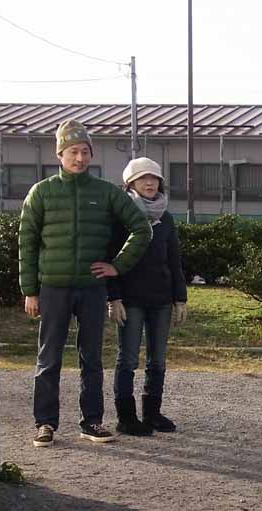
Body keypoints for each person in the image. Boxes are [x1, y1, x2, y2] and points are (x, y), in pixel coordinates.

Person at [19, 120, 151, 447]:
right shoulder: (42, 192)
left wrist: (117, 267)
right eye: (73, 152)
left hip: (92, 289)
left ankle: (92, 421)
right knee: (48, 358)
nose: (80, 158)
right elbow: (27, 242)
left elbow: (142, 229)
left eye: (85, 152)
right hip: (52, 288)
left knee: (91, 358)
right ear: (60, 154)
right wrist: (30, 291)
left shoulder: (105, 192)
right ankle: (45, 424)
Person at [107, 157, 188, 436]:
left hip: (161, 299)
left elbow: (174, 260)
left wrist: (180, 298)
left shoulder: (165, 217)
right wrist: (113, 297)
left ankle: (152, 413)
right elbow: (111, 259)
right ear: (131, 183)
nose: (150, 182)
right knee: (128, 359)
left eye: (154, 178)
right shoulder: (121, 215)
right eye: (143, 178)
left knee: (158, 360)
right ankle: (126, 417)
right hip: (130, 298)